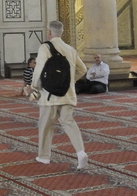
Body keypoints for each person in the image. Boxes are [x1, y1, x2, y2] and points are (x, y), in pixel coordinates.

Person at [31, 20, 88, 169]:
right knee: (68, 122)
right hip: (67, 94)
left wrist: (33, 87)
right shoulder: (70, 49)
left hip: (49, 95)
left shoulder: (45, 47)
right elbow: (82, 70)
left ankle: (44, 156)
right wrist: (69, 82)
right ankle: (81, 152)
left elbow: (39, 69)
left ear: (49, 32)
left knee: (46, 125)